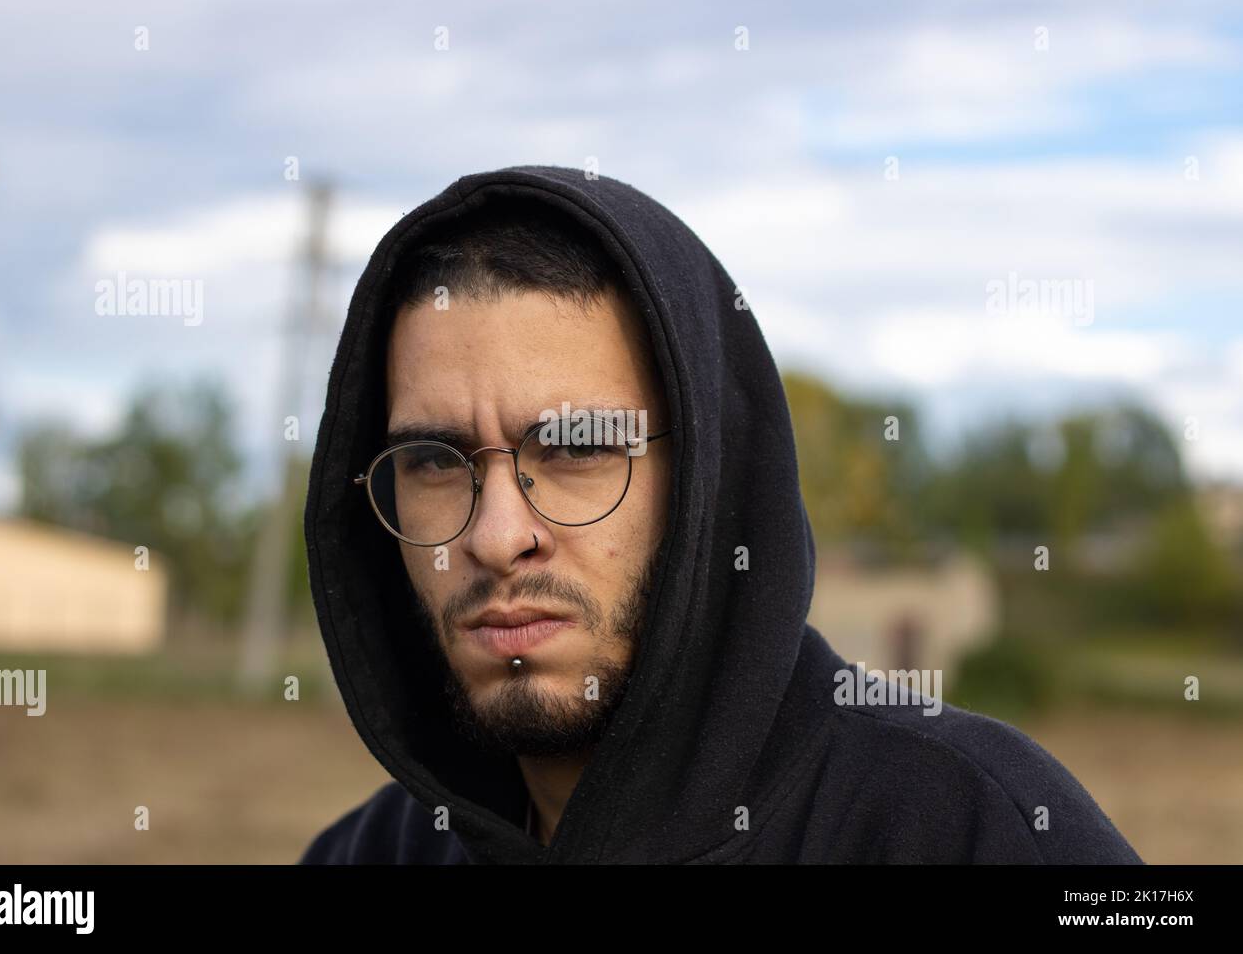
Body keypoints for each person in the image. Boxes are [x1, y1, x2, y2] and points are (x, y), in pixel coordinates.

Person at [298, 165, 1142, 864]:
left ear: (707, 479)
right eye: (435, 463)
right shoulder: (365, 855)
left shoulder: (976, 830)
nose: (496, 536)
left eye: (574, 450)